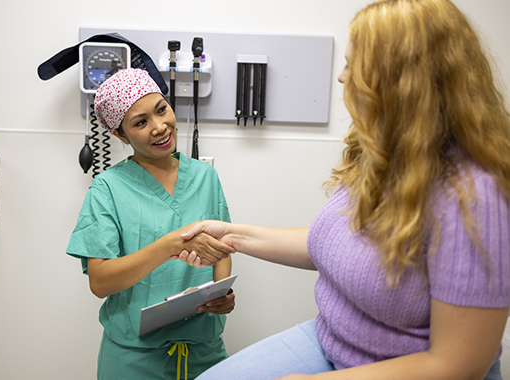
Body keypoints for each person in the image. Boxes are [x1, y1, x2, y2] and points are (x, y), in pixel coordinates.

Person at [177, 0, 510, 379]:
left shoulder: (477, 196)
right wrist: (231, 235)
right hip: (333, 341)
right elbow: (333, 245)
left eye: (353, 65)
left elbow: (458, 364)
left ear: (402, 81)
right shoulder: (388, 151)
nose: (340, 76)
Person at [66, 68, 236, 380]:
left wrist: (220, 294)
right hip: (134, 359)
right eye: (141, 122)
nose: (160, 127)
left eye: (161, 110)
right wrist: (171, 245)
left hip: (204, 351)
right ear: (121, 135)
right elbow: (100, 282)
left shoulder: (204, 176)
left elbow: (222, 248)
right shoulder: (107, 189)